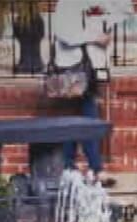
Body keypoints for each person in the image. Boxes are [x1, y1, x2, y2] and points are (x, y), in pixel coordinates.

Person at [51, 0, 130, 187]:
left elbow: (124, 10)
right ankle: (94, 168)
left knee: (78, 117)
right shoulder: (66, 4)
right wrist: (94, 37)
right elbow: (64, 34)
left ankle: (70, 167)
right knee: (86, 116)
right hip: (73, 68)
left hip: (92, 67)